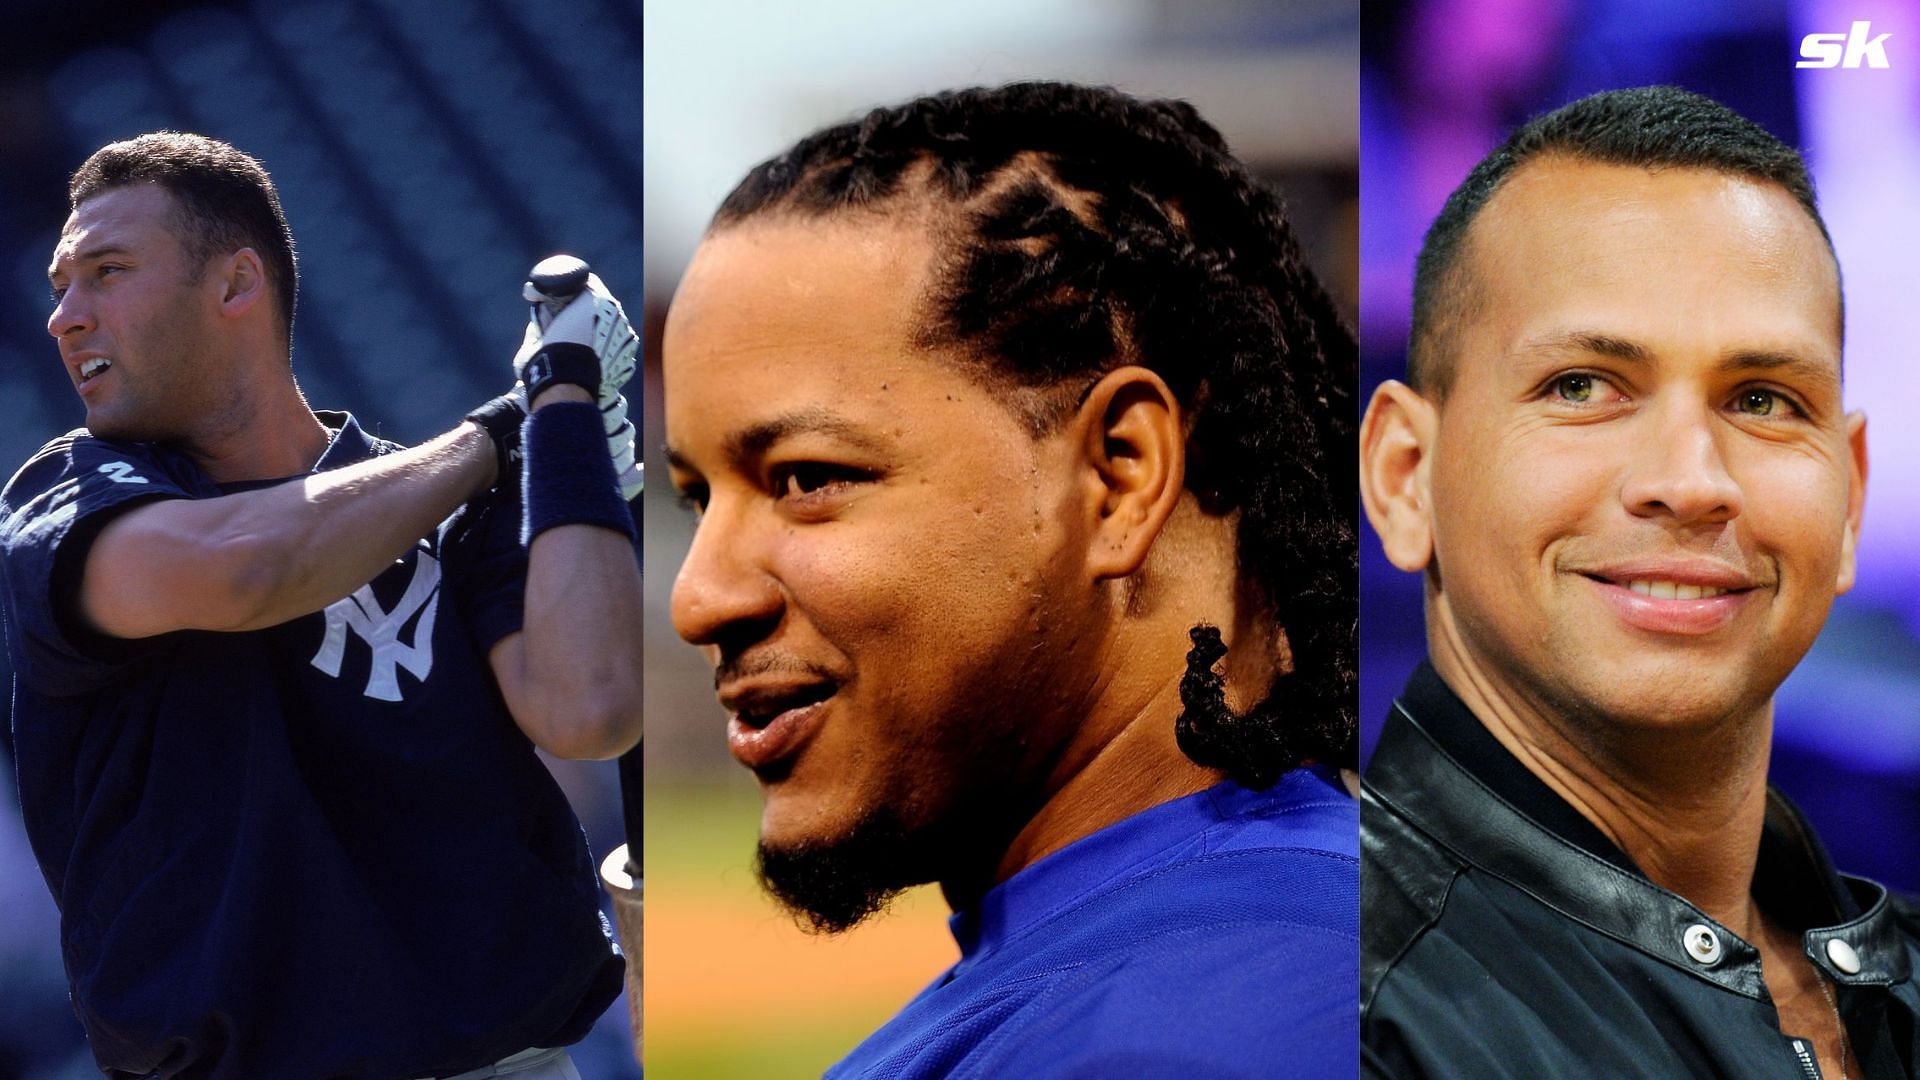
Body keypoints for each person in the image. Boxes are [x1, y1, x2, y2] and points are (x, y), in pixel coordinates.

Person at [663, 81, 1360, 1077]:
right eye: (698, 496)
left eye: (807, 479)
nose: (700, 597)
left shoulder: (1186, 1039)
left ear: (1118, 475)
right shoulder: (1185, 959)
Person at [0, 133, 643, 1078]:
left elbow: (591, 710)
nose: (64, 317)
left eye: (106, 272)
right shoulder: (65, 496)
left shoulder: (447, 497)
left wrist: (569, 432)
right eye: (61, 284)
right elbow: (251, 568)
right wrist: (514, 421)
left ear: (234, 285)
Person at [1358, 86, 1919, 1077]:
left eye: (1762, 399)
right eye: (1582, 387)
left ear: (1850, 500)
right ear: (1407, 477)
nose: (1690, 481)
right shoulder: (1357, 1017)